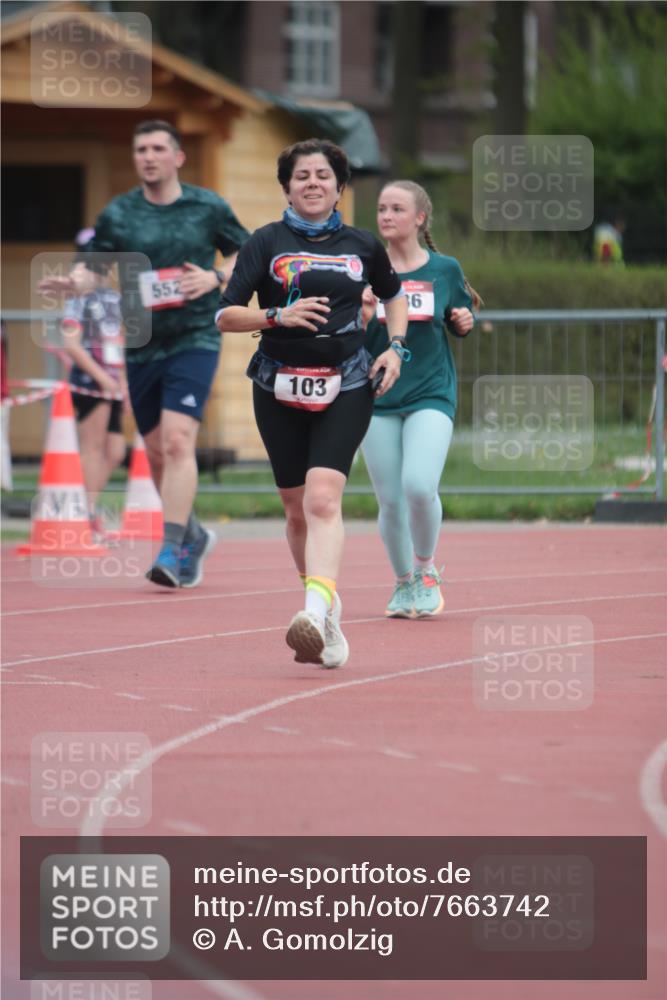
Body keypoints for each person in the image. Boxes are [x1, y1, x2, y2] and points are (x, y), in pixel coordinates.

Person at [217, 138, 408, 668]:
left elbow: (394, 295)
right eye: (301, 176)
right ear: (287, 187)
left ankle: (313, 611)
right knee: (295, 509)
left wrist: (395, 348)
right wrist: (277, 316)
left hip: (347, 382)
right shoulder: (265, 242)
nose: (313, 183)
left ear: (339, 186)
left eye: (323, 175)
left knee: (323, 500)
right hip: (276, 383)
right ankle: (327, 608)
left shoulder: (363, 244)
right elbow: (225, 315)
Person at [39, 120, 250, 587]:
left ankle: (171, 550)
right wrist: (71, 284)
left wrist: (215, 277)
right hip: (140, 343)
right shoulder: (120, 213)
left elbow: (246, 253)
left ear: (178, 157)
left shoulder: (207, 207)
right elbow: (94, 271)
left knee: (177, 441)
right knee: (154, 452)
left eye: (157, 148)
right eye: (141, 150)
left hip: (195, 336)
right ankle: (193, 534)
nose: (148, 157)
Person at [361, 180, 478, 619]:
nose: (387, 216)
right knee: (390, 500)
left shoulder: (444, 268)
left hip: (431, 391)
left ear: (420, 218)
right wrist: (362, 313)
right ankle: (403, 582)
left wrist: (464, 320)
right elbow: (349, 334)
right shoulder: (364, 268)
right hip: (377, 394)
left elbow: (460, 316)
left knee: (418, 485)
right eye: (382, 208)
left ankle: (426, 571)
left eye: (397, 209)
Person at [61, 228, 127, 539]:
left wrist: (122, 381)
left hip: (113, 383)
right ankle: (85, 516)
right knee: (93, 448)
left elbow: (119, 342)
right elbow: (71, 344)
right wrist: (101, 377)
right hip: (91, 381)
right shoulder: (79, 298)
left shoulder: (114, 298)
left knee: (115, 451)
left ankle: (87, 507)